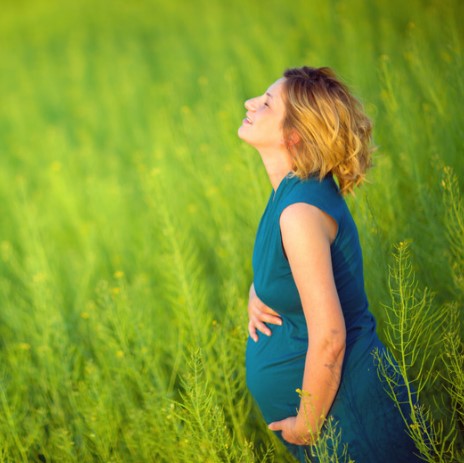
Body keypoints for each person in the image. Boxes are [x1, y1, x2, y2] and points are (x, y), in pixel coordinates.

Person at [237, 66, 422, 462]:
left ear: (294, 135)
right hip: (335, 415)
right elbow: (299, 275)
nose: (251, 103)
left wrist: (307, 422)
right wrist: (260, 289)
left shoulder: (299, 213)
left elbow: (331, 335)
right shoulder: (292, 194)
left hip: (349, 416)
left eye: (267, 103)